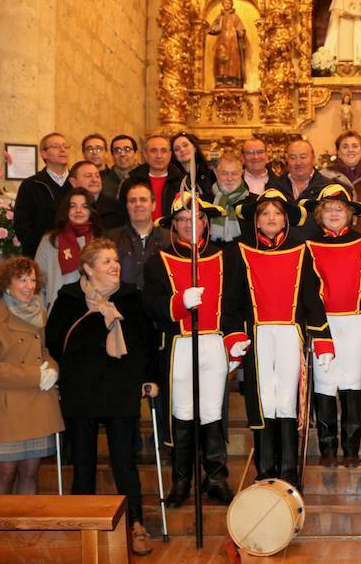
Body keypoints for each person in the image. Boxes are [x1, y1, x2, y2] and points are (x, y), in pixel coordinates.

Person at [45, 239, 157, 556]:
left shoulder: (131, 298)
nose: (114, 265)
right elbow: (54, 342)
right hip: (81, 391)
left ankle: (136, 525)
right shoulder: (68, 299)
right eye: (106, 261)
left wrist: (149, 377)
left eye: (115, 259)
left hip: (121, 390)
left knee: (125, 464)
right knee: (83, 465)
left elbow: (147, 342)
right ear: (88, 268)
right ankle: (82, 526)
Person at [143, 192, 250, 507]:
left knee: (213, 413)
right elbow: (150, 306)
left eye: (197, 219)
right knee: (183, 414)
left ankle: (215, 477)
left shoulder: (224, 257)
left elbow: (233, 305)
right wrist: (178, 304)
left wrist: (232, 341)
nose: (191, 225)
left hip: (213, 342)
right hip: (179, 344)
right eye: (182, 220)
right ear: (173, 225)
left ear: (206, 222)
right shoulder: (157, 260)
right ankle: (181, 480)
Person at [225, 189, 334, 486]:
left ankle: (288, 471)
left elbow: (313, 297)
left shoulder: (301, 249)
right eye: (264, 213)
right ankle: (265, 470)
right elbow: (231, 299)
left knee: (287, 401)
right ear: (256, 221)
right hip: (257, 335)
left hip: (290, 333)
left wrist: (323, 338)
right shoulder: (239, 250)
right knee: (262, 402)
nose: (271, 218)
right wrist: (234, 334)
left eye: (276, 213)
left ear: (286, 219)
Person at [303, 184, 361, 468]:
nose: (333, 213)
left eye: (338, 209)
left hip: (355, 321)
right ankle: (328, 448)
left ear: (349, 214)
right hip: (324, 322)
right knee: (325, 383)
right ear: (319, 214)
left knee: (352, 382)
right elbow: (307, 289)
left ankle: (351, 448)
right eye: (327, 209)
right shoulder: (309, 246)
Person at [0, 257, 63, 495]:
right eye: (22, 279)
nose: (29, 285)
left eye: (33, 280)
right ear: (6, 284)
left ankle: (27, 528)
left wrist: (53, 369)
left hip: (37, 404)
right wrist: (36, 375)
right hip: (7, 406)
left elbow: (42, 352)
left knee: (30, 472)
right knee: (5, 473)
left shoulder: (38, 314)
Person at [35, 187, 101, 311]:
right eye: (73, 206)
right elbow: (38, 281)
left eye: (84, 206)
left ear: (91, 211)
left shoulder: (99, 241)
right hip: (57, 310)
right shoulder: (49, 241)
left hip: (92, 311)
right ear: (66, 210)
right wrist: (42, 313)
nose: (78, 210)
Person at [14, 132, 73, 256]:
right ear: (43, 154)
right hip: (40, 253)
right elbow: (21, 224)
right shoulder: (30, 185)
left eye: (65, 146)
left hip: (74, 251)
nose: (63, 150)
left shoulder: (77, 181)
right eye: (56, 146)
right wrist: (37, 247)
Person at [105, 182, 171, 289]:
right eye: (132, 201)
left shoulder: (170, 239)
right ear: (127, 206)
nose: (138, 204)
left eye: (143, 200)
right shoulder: (110, 239)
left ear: (153, 205)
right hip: (121, 302)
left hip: (158, 303)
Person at [267, 139, 332, 243]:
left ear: (313, 159)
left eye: (303, 157)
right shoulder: (274, 187)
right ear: (287, 160)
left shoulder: (328, 188)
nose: (298, 162)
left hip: (317, 248)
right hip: (283, 249)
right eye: (293, 158)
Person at [121, 135, 184, 222]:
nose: (159, 156)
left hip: (171, 233)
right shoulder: (131, 183)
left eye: (163, 151)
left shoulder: (182, 183)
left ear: (170, 155)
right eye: (154, 151)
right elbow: (122, 216)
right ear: (145, 155)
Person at [318, 130, 361, 209]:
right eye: (345, 147)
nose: (350, 150)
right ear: (338, 152)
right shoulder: (324, 178)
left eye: (355, 146)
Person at [68, 160, 126, 229]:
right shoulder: (65, 207)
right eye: (88, 176)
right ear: (73, 182)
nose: (95, 180)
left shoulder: (116, 207)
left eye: (97, 176)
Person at [210, 152, 251, 244]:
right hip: (214, 253)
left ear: (242, 173)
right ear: (216, 173)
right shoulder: (205, 202)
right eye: (224, 173)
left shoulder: (252, 202)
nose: (229, 178)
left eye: (234, 173)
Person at [208, 0, 247, 88]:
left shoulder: (235, 17)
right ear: (223, 5)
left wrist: (240, 32)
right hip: (222, 41)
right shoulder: (219, 17)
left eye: (229, 3)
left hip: (233, 42)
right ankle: (222, 79)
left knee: (233, 60)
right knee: (222, 60)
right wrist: (213, 29)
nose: (227, 5)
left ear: (231, 5)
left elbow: (240, 27)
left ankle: (233, 79)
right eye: (225, 3)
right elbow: (213, 28)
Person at [170, 132, 216, 200]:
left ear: (194, 148)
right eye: (177, 149)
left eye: (185, 145)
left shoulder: (210, 174)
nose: (182, 150)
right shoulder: (173, 178)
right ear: (174, 155)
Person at [102, 135, 140, 200]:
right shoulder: (102, 180)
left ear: (136, 154)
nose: (122, 154)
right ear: (112, 156)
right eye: (117, 150)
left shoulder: (146, 177)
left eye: (127, 149)